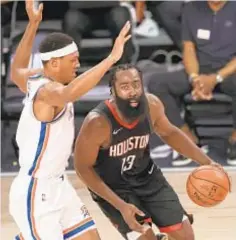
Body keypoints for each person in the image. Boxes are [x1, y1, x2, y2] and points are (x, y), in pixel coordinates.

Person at [9, 0, 131, 239]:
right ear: (54, 63)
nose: (77, 64)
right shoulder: (47, 92)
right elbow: (69, 93)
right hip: (36, 191)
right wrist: (110, 60)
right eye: (72, 60)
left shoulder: (35, 81)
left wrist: (34, 24)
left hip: (59, 185)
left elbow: (16, 70)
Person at [73, 64, 225, 240]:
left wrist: (207, 162)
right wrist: (121, 206)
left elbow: (169, 133)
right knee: (146, 237)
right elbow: (82, 168)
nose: (132, 91)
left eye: (136, 84)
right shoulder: (98, 122)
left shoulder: (152, 105)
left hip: (147, 178)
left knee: (186, 237)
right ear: (112, 91)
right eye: (125, 87)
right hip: (114, 188)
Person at [148, 0, 236, 166]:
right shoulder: (191, 8)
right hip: (199, 69)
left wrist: (216, 78)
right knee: (157, 83)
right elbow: (188, 48)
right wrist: (195, 78)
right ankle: (186, 138)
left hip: (230, 71)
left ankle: (235, 140)